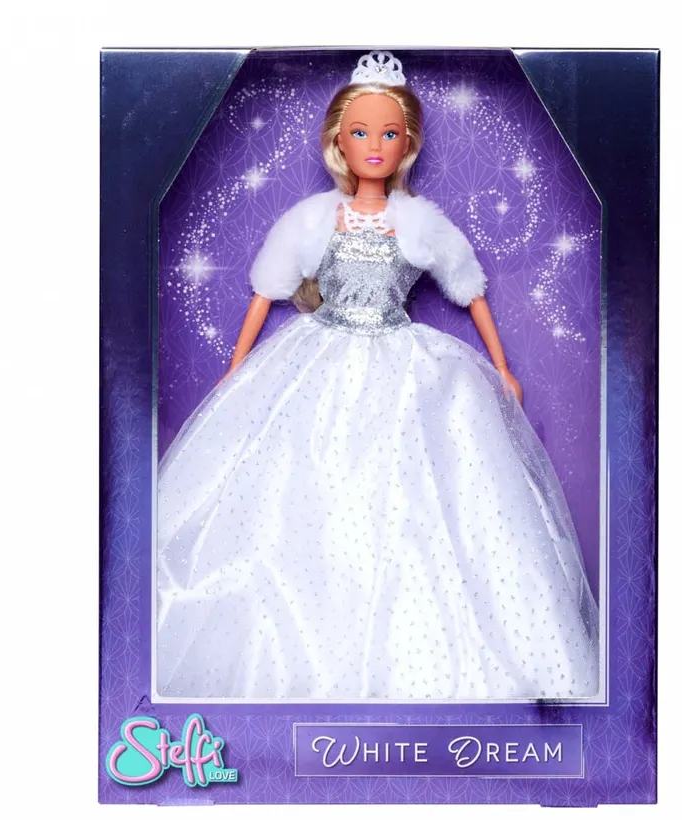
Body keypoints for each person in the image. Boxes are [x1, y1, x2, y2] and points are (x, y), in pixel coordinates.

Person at [156, 50, 599, 701]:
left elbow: (470, 288)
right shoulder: (313, 218)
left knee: (413, 497)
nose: (373, 145)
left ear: (406, 143)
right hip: (320, 358)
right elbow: (267, 289)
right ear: (339, 140)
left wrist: (503, 368)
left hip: (399, 363)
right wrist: (236, 366)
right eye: (360, 132)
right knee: (303, 492)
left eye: (388, 133)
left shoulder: (418, 222)